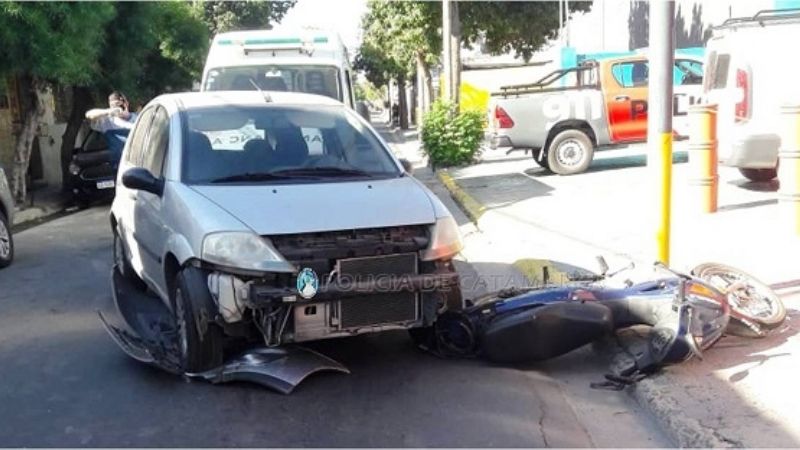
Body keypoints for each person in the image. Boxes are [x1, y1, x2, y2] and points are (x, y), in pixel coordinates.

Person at [85, 91, 138, 165]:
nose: (118, 107)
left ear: (126, 103)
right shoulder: (107, 122)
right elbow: (89, 115)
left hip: (137, 162)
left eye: (119, 104)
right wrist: (109, 111)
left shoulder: (139, 119)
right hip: (118, 165)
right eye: (113, 105)